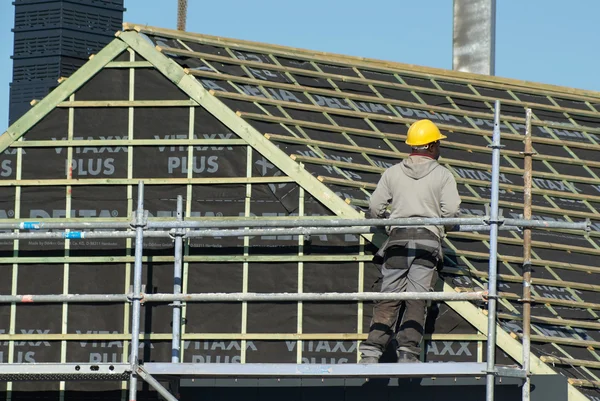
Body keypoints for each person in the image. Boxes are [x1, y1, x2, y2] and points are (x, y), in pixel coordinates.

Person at [359, 119, 461, 364]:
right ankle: (408, 352)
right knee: (416, 298)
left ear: (413, 146)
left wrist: (384, 220)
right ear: (433, 145)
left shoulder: (392, 173)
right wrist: (442, 225)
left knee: (389, 297)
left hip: (397, 241)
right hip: (427, 243)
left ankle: (372, 351)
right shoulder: (443, 175)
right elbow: (451, 212)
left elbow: (374, 207)